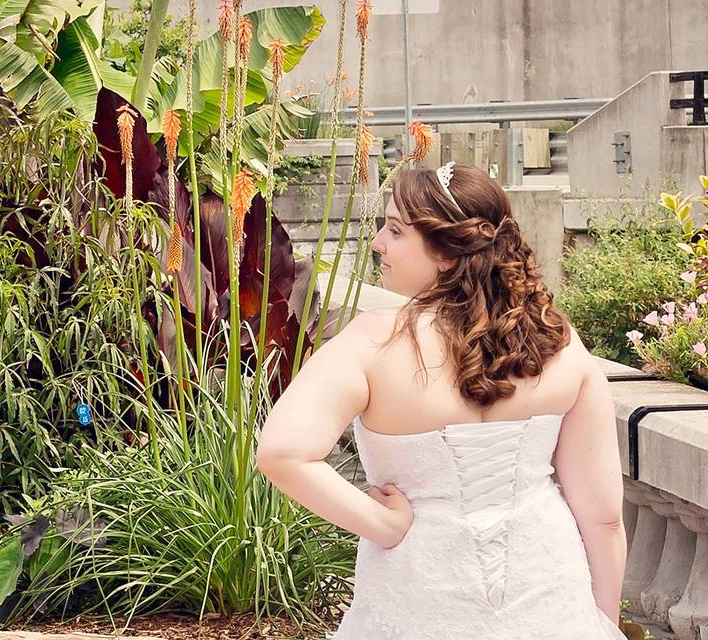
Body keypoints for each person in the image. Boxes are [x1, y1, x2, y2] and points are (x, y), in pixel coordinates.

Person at [255, 162, 628, 639]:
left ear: (448, 254)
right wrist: (602, 626)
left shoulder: (372, 343)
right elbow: (604, 519)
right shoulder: (558, 344)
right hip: (549, 600)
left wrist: (381, 525)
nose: (377, 244)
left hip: (419, 601)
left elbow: (281, 452)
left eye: (394, 231)